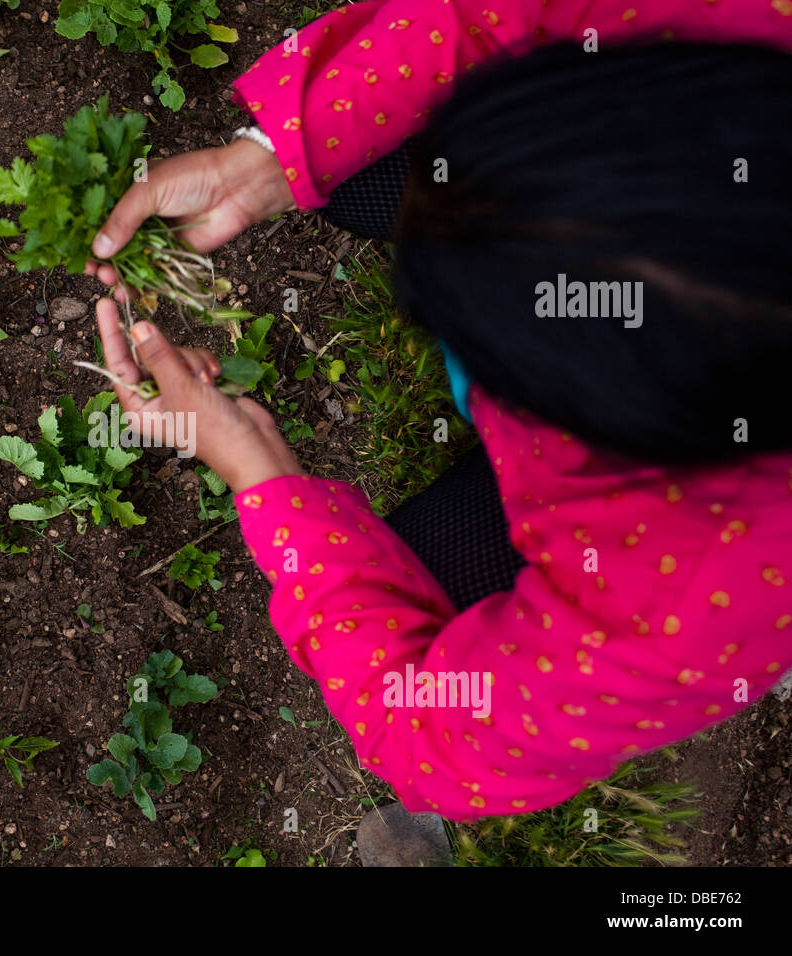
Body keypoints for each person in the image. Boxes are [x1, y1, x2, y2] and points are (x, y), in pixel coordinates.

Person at [85, 13, 792, 819]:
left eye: (493, 357)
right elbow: (501, 16)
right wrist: (271, 160)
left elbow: (440, 741)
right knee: (375, 143)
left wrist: (261, 475)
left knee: (429, 583)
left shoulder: (696, 595)